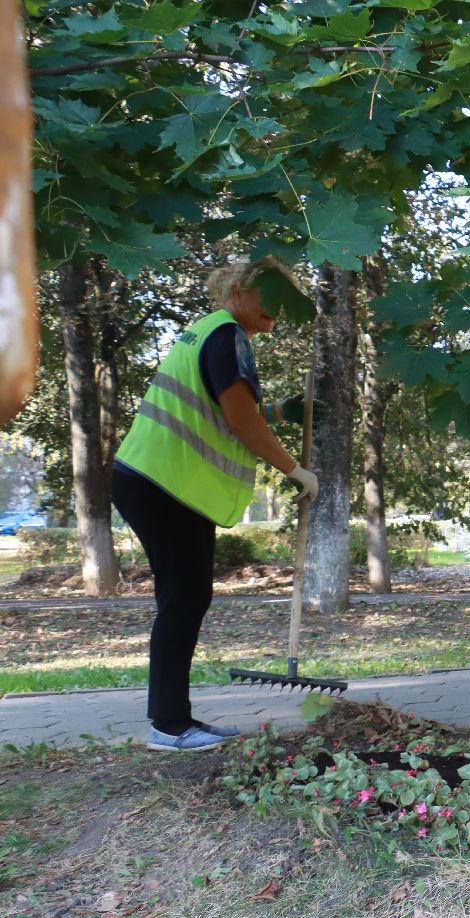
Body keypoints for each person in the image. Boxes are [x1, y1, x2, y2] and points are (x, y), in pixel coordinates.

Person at [112, 258, 318, 751]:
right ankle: (168, 726)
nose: (278, 310)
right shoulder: (227, 336)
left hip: (158, 481)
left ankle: (175, 719)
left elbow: (222, 412)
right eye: (271, 296)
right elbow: (242, 424)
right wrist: (295, 470)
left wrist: (280, 411)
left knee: (186, 598)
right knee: (183, 600)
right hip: (164, 484)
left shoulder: (208, 331)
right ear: (239, 291)